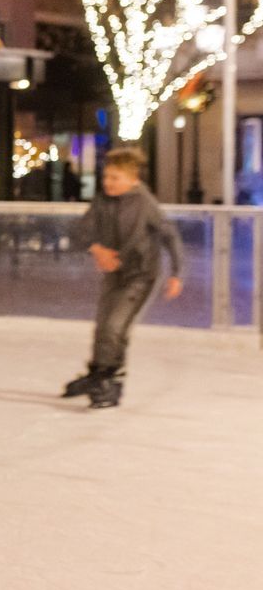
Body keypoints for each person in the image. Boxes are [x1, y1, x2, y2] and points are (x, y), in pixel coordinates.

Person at [62, 147, 183, 409]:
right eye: (106, 177)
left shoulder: (145, 203)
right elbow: (82, 231)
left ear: (133, 179)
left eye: (115, 178)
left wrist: (177, 273)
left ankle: (111, 381)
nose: (108, 183)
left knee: (116, 326)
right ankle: (97, 374)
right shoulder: (102, 201)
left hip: (142, 276)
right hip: (114, 274)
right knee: (103, 326)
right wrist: (97, 249)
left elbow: (170, 236)